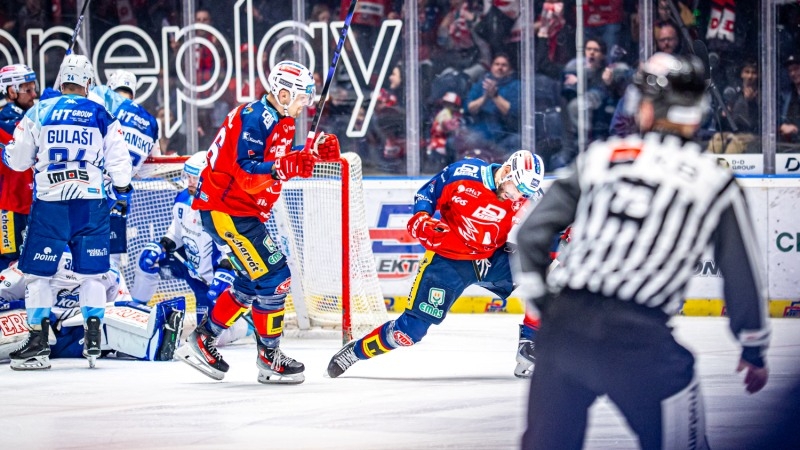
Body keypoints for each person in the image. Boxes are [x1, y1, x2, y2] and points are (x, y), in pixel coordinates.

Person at [511, 53, 770, 449]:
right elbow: (741, 272)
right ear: (696, 116)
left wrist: (548, 309)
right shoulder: (715, 181)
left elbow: (530, 234)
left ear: (645, 110)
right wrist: (753, 345)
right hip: (640, 339)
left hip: (566, 330)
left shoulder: (601, 157)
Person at [174, 60, 341, 384]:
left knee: (252, 281)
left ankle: (203, 339)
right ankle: (269, 357)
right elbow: (248, 173)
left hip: (242, 212)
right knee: (276, 277)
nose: (306, 101)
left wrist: (313, 152)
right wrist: (287, 166)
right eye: (302, 95)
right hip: (228, 210)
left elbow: (273, 159)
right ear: (282, 92)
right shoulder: (254, 118)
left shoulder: (282, 120)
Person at [327, 150, 545, 379]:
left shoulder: (526, 194)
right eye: (517, 189)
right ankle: (354, 352)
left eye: (524, 193)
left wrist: (568, 233)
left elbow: (554, 221)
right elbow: (429, 192)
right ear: (507, 171)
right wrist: (421, 217)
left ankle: (528, 344)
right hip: (449, 262)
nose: (518, 196)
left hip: (491, 258)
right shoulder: (465, 175)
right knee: (409, 332)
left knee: (548, 270)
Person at [2, 54, 132, 370]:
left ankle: (37, 343)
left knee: (37, 276)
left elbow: (18, 161)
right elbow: (121, 167)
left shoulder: (39, 111)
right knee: (93, 273)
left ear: (61, 81)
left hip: (50, 203)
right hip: (91, 203)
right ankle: (92, 338)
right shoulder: (102, 113)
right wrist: (122, 187)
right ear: (88, 83)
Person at [130, 151, 249, 346]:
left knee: (213, 338)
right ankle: (135, 312)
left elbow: (236, 248)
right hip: (189, 267)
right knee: (147, 260)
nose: (190, 182)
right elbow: (176, 234)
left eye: (196, 177)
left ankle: (244, 325)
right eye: (189, 177)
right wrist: (162, 245)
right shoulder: (184, 198)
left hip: (215, 279)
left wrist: (227, 273)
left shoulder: (224, 205)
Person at [0, 252, 185, 364]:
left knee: (108, 324)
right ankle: (156, 335)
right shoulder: (104, 266)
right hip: (43, 331)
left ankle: (157, 335)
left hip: (80, 333)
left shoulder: (106, 268)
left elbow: (119, 306)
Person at [0, 64, 37, 270]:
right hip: (9, 208)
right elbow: (22, 129)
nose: (34, 94)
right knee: (8, 263)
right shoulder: (6, 119)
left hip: (32, 204)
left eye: (34, 87)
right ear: (11, 91)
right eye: (27, 89)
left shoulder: (29, 116)